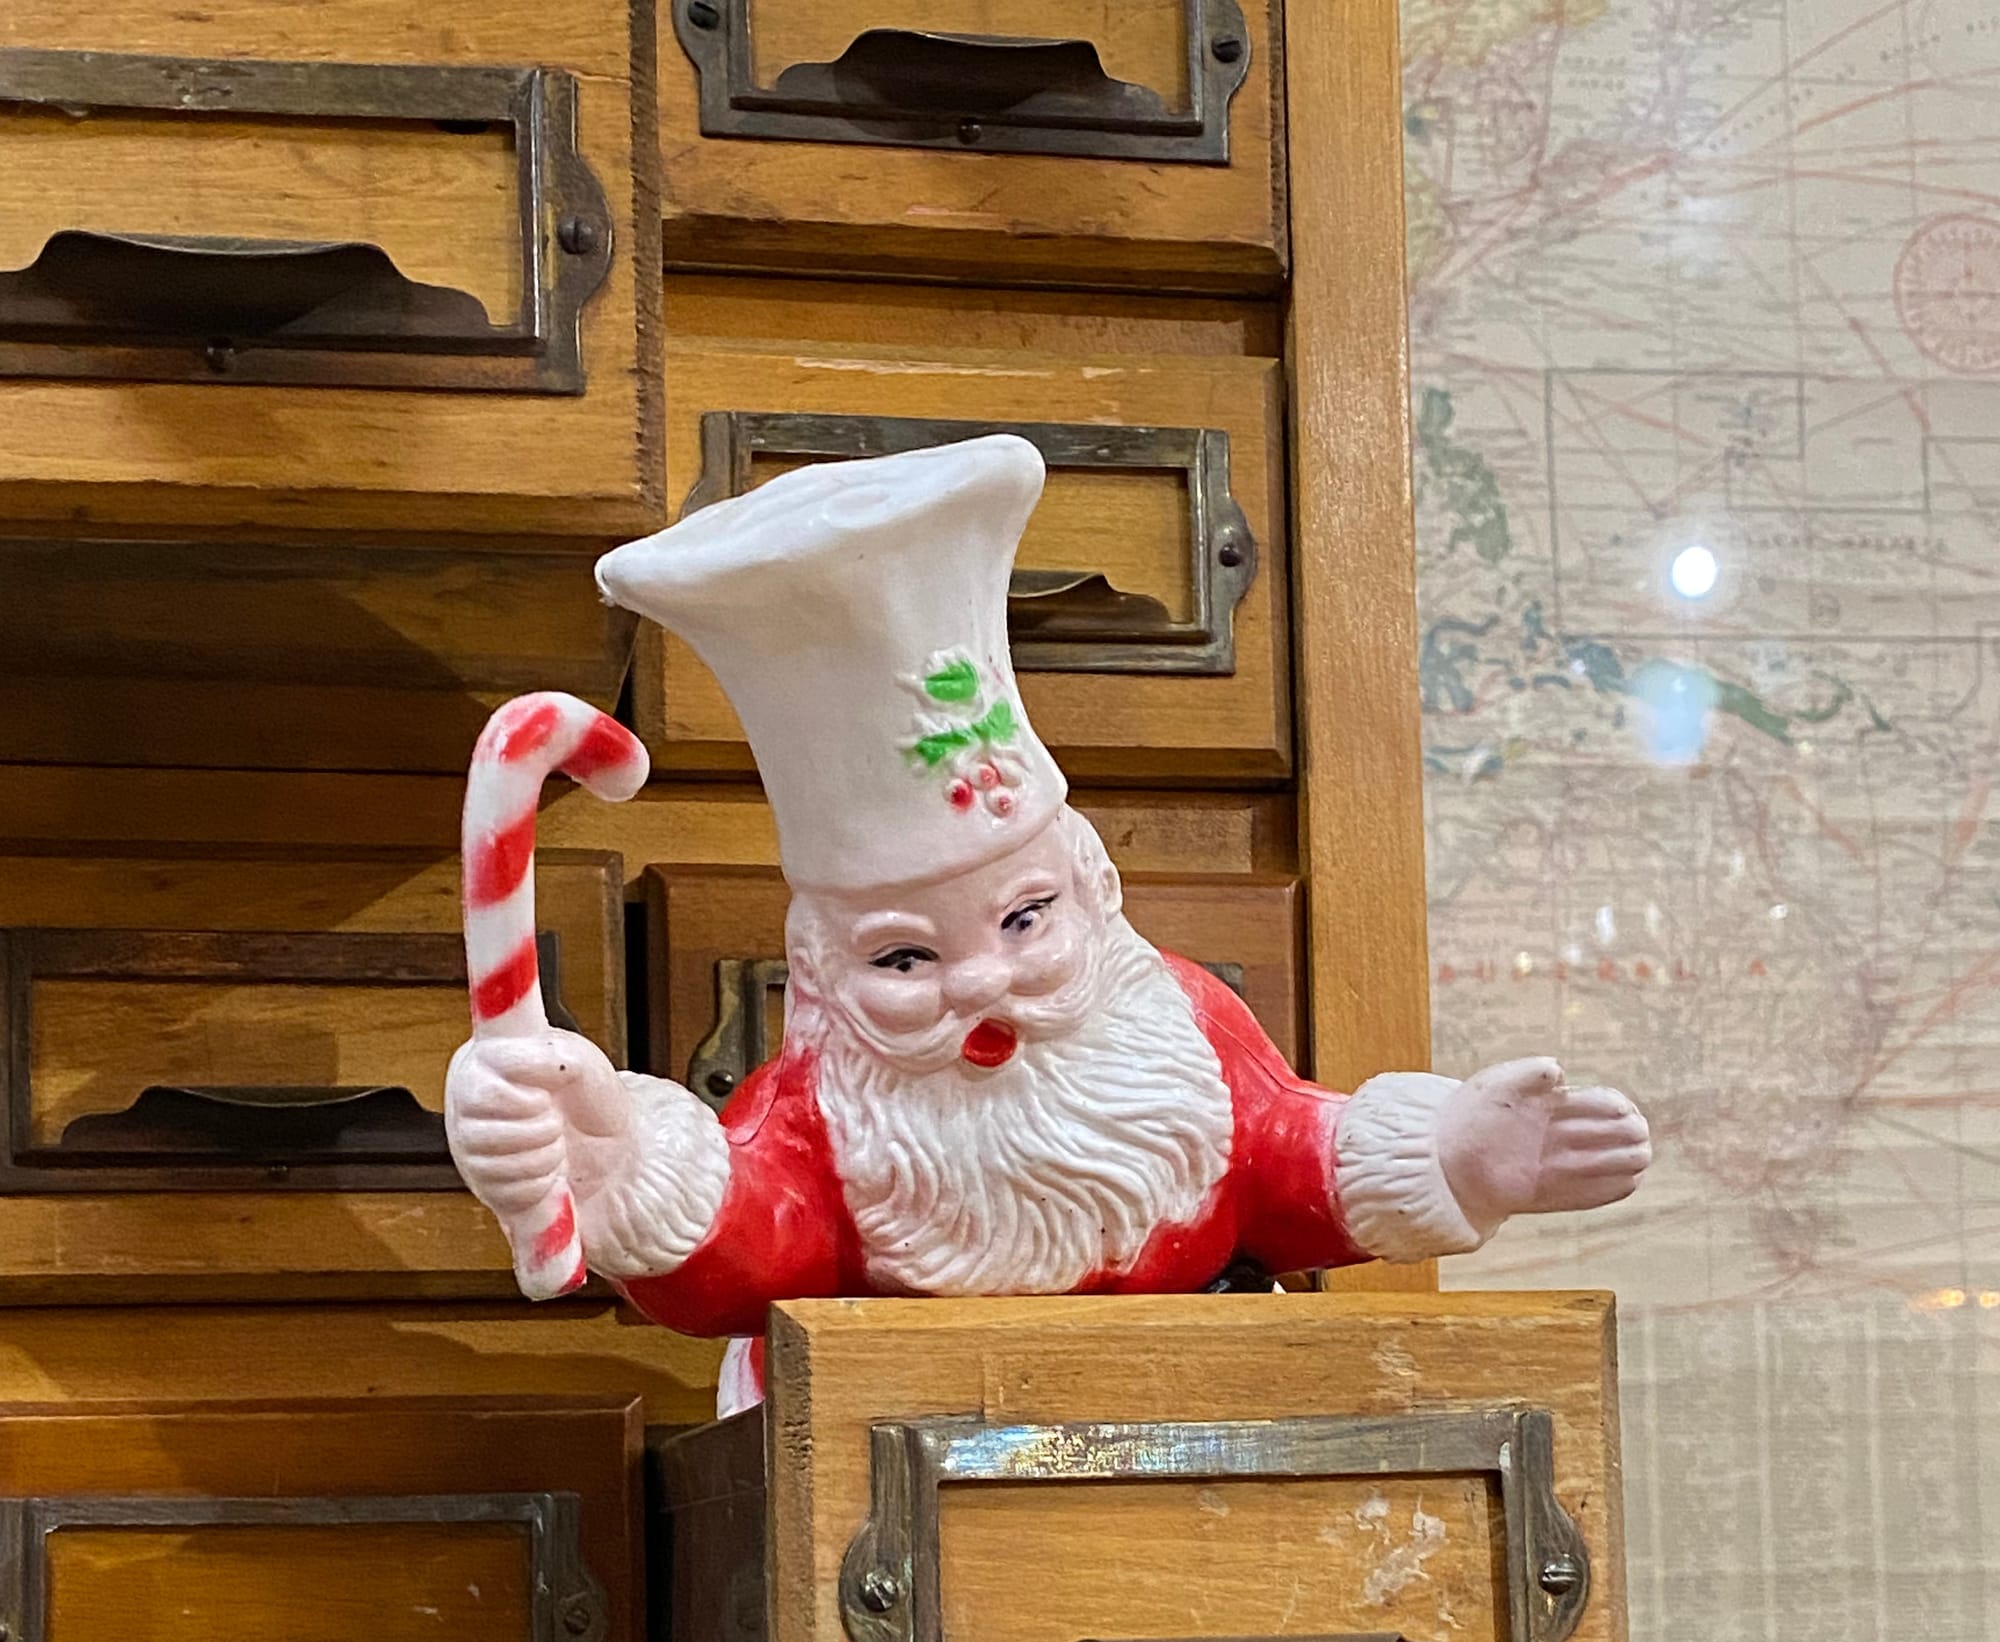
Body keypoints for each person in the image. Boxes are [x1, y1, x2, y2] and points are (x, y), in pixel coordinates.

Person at [448, 436, 1649, 1409]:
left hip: (1189, 1442)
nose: (984, 983)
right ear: (823, 973)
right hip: (900, 1475)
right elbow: (760, 1238)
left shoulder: (1174, 1024)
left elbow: (1280, 1155)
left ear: (1089, 890)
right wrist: (623, 1168)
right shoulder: (829, 1113)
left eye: (1025, 920)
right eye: (905, 957)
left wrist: (1451, 1158)